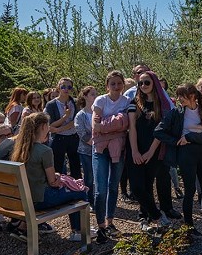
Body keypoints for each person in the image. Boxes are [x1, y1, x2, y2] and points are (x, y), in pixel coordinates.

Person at [154, 83, 202, 236]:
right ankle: (189, 225)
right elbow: (158, 131)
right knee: (189, 190)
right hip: (186, 154)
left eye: (181, 96)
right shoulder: (177, 113)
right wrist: (177, 141)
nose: (179, 99)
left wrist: (190, 137)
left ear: (192, 96)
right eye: (177, 96)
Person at [10, 112, 89, 242]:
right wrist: (57, 177)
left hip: (21, 200)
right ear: (42, 127)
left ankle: (24, 227)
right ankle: (78, 231)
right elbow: (53, 182)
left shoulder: (20, 149)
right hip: (41, 200)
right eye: (47, 125)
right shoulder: (44, 151)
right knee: (80, 191)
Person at [128, 71, 181, 233]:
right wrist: (135, 151)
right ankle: (157, 216)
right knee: (137, 188)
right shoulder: (134, 103)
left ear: (154, 84)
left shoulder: (163, 105)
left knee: (147, 185)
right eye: (140, 83)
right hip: (135, 150)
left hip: (155, 151)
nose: (143, 86)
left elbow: (161, 131)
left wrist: (150, 152)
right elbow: (132, 129)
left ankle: (145, 217)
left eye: (147, 83)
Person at [92, 70, 131, 244]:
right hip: (100, 149)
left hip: (119, 149)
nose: (116, 86)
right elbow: (96, 126)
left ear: (123, 84)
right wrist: (117, 124)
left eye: (119, 83)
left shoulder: (127, 101)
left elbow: (127, 124)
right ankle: (100, 225)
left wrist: (107, 125)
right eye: (112, 83)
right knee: (101, 189)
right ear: (107, 86)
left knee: (113, 186)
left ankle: (110, 222)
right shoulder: (100, 100)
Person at [45, 78, 81, 178]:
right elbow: (51, 125)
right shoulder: (51, 104)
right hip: (58, 139)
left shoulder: (75, 102)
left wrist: (59, 129)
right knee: (57, 167)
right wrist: (65, 116)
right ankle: (58, 190)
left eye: (69, 87)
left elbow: (76, 121)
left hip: (73, 137)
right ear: (58, 88)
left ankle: (77, 190)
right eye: (63, 86)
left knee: (76, 167)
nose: (66, 89)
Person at [74, 86, 98, 207]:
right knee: (89, 177)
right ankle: (89, 200)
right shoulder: (80, 115)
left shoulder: (99, 111)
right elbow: (82, 134)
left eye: (95, 94)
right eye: (92, 94)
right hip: (86, 151)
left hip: (99, 150)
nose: (95, 96)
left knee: (99, 177)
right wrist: (96, 142)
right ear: (85, 96)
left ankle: (98, 199)